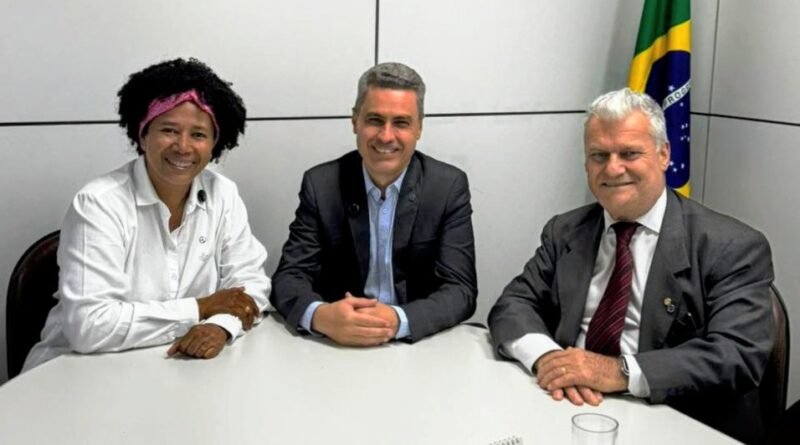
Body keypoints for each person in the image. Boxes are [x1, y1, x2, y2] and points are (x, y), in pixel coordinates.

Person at [488, 88, 774, 443]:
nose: (613, 168)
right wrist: (548, 359)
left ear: (664, 154)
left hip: (675, 423)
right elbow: (513, 305)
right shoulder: (565, 230)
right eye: (599, 155)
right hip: (567, 408)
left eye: (629, 153)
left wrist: (616, 372)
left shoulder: (730, 245)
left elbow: (737, 355)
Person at [23, 58, 271, 370]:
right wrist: (201, 308)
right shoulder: (99, 203)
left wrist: (220, 325)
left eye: (198, 134)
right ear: (142, 135)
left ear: (214, 144)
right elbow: (89, 326)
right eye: (169, 130)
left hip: (177, 366)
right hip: (76, 370)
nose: (183, 147)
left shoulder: (224, 194)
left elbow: (251, 287)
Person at [270, 62, 477, 345]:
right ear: (355, 120)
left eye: (401, 122)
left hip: (418, 346)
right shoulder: (321, 184)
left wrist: (397, 320)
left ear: (419, 127)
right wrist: (320, 316)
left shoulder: (447, 187)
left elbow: (460, 290)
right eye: (375, 120)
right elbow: (289, 277)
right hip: (335, 346)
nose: (386, 136)